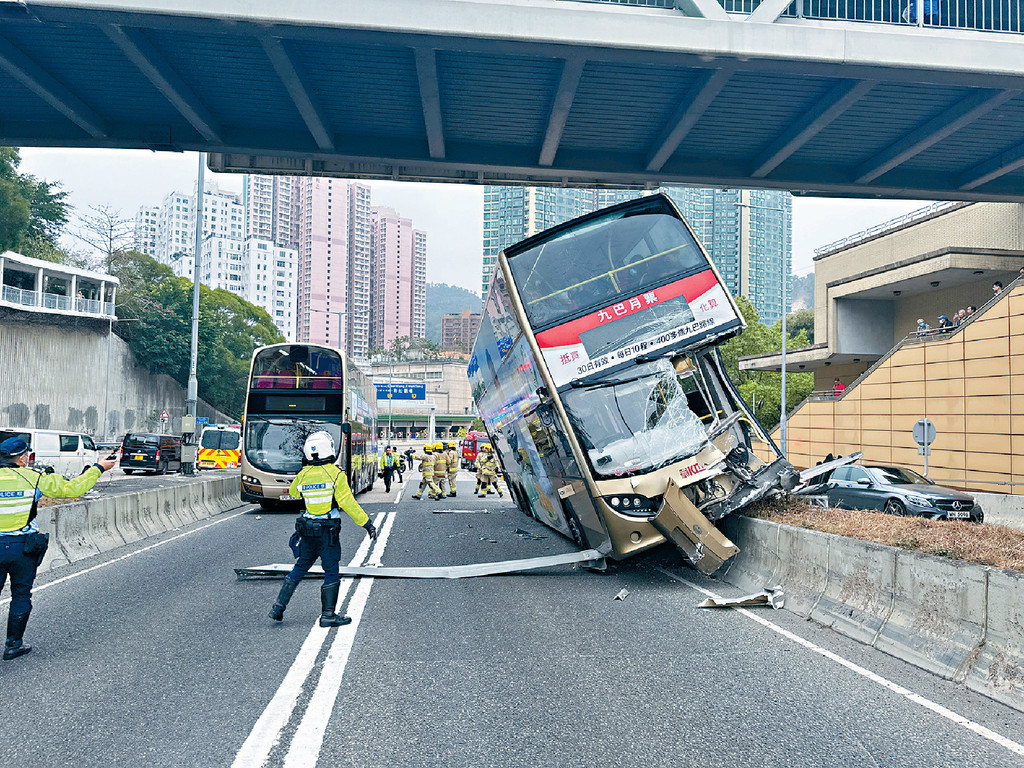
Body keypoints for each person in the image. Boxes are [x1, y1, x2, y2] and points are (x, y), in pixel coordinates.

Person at [0, 437, 116, 660]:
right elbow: (74, 488)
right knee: (21, 594)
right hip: (22, 549)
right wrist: (99, 467)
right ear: (22, 458)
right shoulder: (34, 478)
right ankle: (13, 645)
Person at [269, 432, 376, 626]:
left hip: (308, 531)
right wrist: (366, 523)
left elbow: (293, 492)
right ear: (329, 449)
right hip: (328, 531)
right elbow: (348, 503)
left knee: (300, 568)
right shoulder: (336, 474)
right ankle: (328, 615)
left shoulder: (303, 475)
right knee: (331, 569)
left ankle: (278, 608)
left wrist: (306, 470)